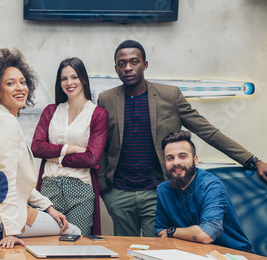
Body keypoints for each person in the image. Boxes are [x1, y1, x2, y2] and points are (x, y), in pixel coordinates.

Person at [97, 39, 267, 237]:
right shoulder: (106, 99)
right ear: (116, 69)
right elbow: (103, 147)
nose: (128, 67)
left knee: (158, 254)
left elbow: (208, 132)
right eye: (122, 63)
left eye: (134, 61)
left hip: (159, 192)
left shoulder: (170, 96)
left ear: (145, 64)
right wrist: (105, 190)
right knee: (124, 254)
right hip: (119, 194)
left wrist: (252, 160)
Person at [0, 48, 81, 249]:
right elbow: (6, 179)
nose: (20, 88)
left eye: (22, 82)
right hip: (0, 220)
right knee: (74, 231)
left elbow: (20, 182)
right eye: (10, 83)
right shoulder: (5, 123)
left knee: (59, 225)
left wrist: (49, 207)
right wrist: (11, 231)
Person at [31, 57, 108, 235]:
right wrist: (69, 149)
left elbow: (91, 159)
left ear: (83, 79)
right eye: (64, 78)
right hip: (48, 188)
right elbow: (36, 148)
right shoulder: (51, 111)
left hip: (80, 190)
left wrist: (54, 157)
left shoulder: (98, 114)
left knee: (77, 245)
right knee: (46, 243)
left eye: (74, 77)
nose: (69, 83)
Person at [155, 130, 252, 252]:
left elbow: (207, 234)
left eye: (182, 156)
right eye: (170, 158)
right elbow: (160, 230)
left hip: (234, 256)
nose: (176, 163)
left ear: (195, 160)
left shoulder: (211, 186)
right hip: (193, 255)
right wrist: (170, 232)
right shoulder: (163, 190)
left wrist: (171, 231)